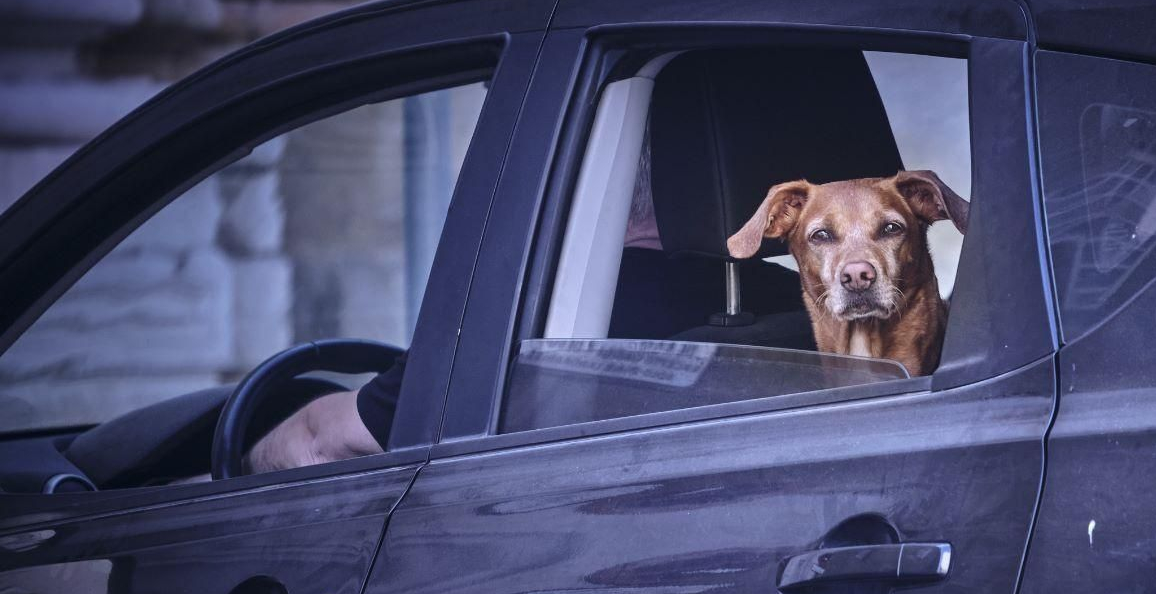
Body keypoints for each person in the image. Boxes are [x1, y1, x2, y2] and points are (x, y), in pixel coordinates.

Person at [246, 138, 805, 474]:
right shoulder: (797, 309)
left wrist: (234, 464)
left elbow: (322, 443)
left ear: (582, 174)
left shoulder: (528, 308)